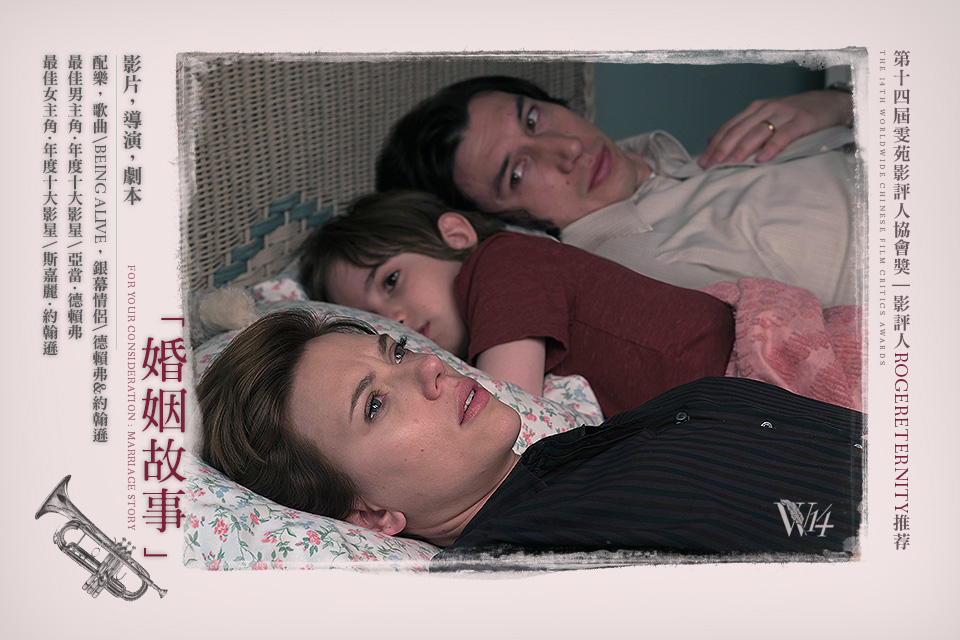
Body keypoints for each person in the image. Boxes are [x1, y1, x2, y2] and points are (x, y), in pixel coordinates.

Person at [196, 308, 863, 561]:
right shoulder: (538, 560)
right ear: (369, 516)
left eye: (396, 352)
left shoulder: (576, 455)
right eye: (373, 405)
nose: (428, 368)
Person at [376, 75, 859, 307]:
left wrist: (840, 102)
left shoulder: (677, 162)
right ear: (506, 224)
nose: (567, 148)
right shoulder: (647, 270)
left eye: (533, 118)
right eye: (517, 173)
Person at [298, 190, 735, 417]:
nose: (395, 319)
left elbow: (515, 411)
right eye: (376, 319)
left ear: (455, 235)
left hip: (737, 370)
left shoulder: (501, 264)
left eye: (392, 281)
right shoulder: (475, 344)